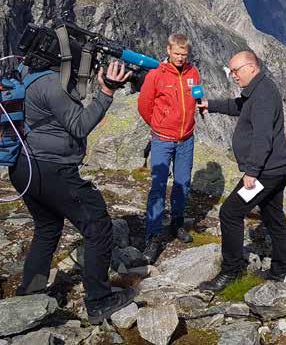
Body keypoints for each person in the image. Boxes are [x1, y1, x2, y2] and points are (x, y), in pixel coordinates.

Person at [10, 60, 134, 325]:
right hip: (50, 169)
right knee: (98, 225)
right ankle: (99, 301)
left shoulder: (26, 73)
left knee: (47, 227)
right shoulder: (52, 85)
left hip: (22, 166)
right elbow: (79, 126)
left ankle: (30, 293)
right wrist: (107, 92)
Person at [196, 50, 286, 291]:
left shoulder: (262, 96)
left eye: (235, 71)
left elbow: (263, 138)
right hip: (275, 168)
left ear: (251, 67)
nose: (233, 76)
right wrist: (212, 105)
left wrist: (252, 172)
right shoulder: (258, 90)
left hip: (265, 173)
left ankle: (231, 272)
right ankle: (280, 269)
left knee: (230, 213)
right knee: (273, 216)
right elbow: (240, 106)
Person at [137, 34, 201, 263]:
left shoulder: (193, 73)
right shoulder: (156, 76)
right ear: (168, 50)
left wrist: (199, 106)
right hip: (163, 139)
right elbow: (144, 105)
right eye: (177, 54)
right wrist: (158, 124)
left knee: (183, 183)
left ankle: (176, 223)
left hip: (186, 139)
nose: (181, 58)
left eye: (184, 54)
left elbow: (196, 94)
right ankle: (153, 236)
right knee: (158, 186)